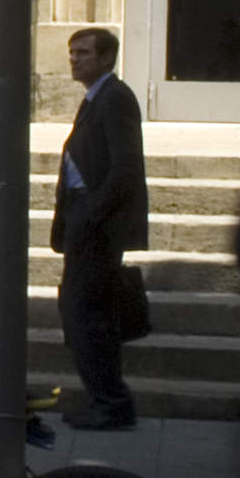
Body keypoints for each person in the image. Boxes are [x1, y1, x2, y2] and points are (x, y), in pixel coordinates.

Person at [55, 26, 147, 427]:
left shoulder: (115, 99)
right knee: (86, 312)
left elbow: (126, 167)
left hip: (98, 224)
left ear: (107, 57)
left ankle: (110, 400)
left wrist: (92, 211)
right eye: (72, 52)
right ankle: (107, 399)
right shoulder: (96, 99)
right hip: (85, 217)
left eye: (84, 52)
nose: (75, 58)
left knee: (82, 312)